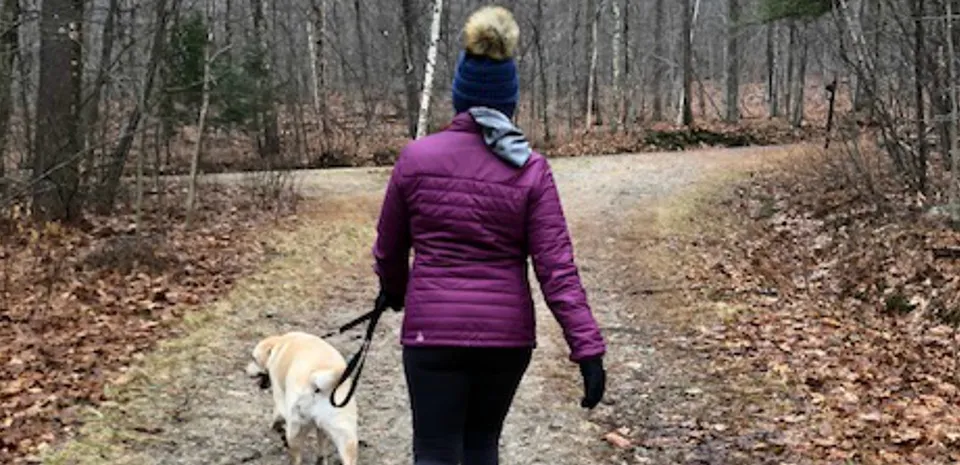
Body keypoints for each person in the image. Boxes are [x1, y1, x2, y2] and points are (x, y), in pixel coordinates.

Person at [371, 5, 607, 465]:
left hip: (431, 336)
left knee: (435, 450)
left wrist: (394, 292)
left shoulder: (416, 159)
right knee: (481, 448)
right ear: (509, 101)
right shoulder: (531, 169)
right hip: (505, 341)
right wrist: (587, 347)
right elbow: (557, 270)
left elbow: (389, 248)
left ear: (458, 96)